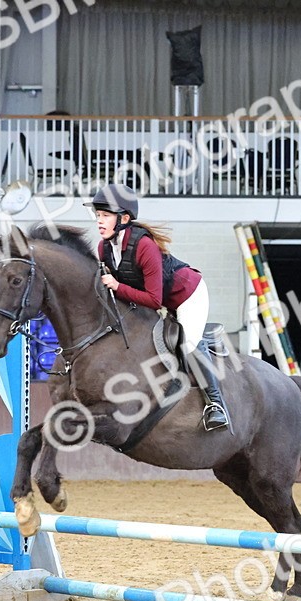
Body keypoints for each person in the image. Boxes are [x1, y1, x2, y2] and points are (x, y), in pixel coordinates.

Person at [85, 184, 228, 431]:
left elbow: (153, 299)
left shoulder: (144, 246)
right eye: (98, 215)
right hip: (161, 301)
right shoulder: (103, 248)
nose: (99, 221)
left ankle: (216, 405)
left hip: (188, 295)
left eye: (106, 215)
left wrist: (117, 286)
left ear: (124, 219)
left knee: (187, 345)